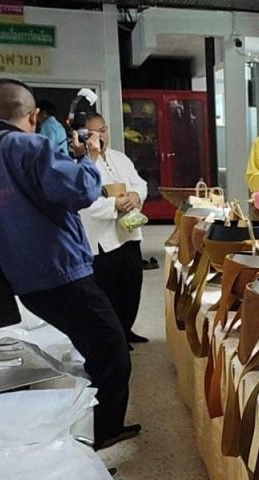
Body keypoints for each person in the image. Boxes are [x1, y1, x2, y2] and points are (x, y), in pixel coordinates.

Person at [0, 79, 138, 449]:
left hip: (20, 279)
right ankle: (99, 436)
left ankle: (90, 425)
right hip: (61, 273)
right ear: (33, 116)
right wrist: (88, 157)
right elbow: (82, 191)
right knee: (112, 351)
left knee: (92, 345)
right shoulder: (32, 147)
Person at [77, 112, 149, 347]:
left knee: (131, 285)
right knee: (108, 290)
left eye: (103, 130)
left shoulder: (120, 158)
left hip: (129, 231)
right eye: (93, 133)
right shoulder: (81, 165)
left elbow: (140, 183)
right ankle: (114, 337)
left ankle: (126, 329)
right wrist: (114, 205)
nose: (100, 136)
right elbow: (84, 203)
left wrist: (135, 195)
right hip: (102, 239)